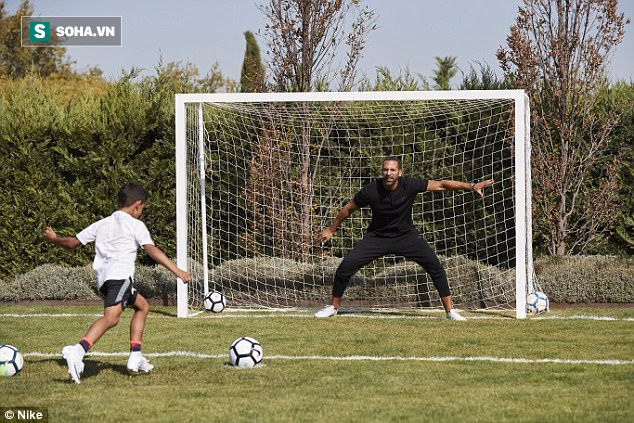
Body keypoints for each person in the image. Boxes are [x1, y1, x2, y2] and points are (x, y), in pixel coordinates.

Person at [43, 181, 192, 383]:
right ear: (137, 204)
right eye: (143, 208)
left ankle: (135, 355)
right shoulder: (136, 225)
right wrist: (178, 271)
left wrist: (54, 238)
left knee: (142, 306)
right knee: (111, 318)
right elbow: (151, 250)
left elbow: (72, 242)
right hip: (119, 277)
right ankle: (77, 351)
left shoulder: (103, 223)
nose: (142, 212)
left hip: (105, 280)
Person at [315, 157, 494, 320]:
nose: (388, 173)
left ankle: (450, 312)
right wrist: (331, 229)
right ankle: (333, 307)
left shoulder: (409, 184)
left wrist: (471, 186)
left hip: (406, 236)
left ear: (400, 172)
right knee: (345, 266)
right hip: (377, 237)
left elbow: (442, 185)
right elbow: (348, 208)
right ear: (382, 171)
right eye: (385, 170)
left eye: (392, 170)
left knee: (436, 267)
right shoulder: (371, 190)